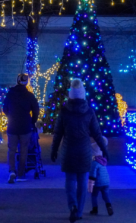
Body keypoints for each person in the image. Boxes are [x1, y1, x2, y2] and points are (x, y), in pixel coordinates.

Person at [51, 78, 109, 223]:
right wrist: (104, 149)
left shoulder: (64, 111)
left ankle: (72, 207)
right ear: (83, 94)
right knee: (83, 181)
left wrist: (54, 150)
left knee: (70, 179)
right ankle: (79, 212)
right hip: (84, 151)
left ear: (71, 94)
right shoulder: (89, 111)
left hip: (68, 150)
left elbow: (58, 133)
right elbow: (96, 133)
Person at [3, 73, 39, 183]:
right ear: (26, 82)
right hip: (25, 126)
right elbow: (36, 110)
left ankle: (12, 171)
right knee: (24, 150)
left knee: (11, 149)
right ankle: (20, 173)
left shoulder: (10, 94)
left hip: (13, 125)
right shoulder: (29, 96)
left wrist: (10, 116)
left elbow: (5, 109)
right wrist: (32, 121)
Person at [88, 137, 113, 216]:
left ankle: (95, 209)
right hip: (106, 182)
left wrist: (90, 186)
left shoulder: (94, 163)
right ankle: (109, 206)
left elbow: (92, 175)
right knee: (105, 195)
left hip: (97, 183)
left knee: (94, 195)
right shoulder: (103, 161)